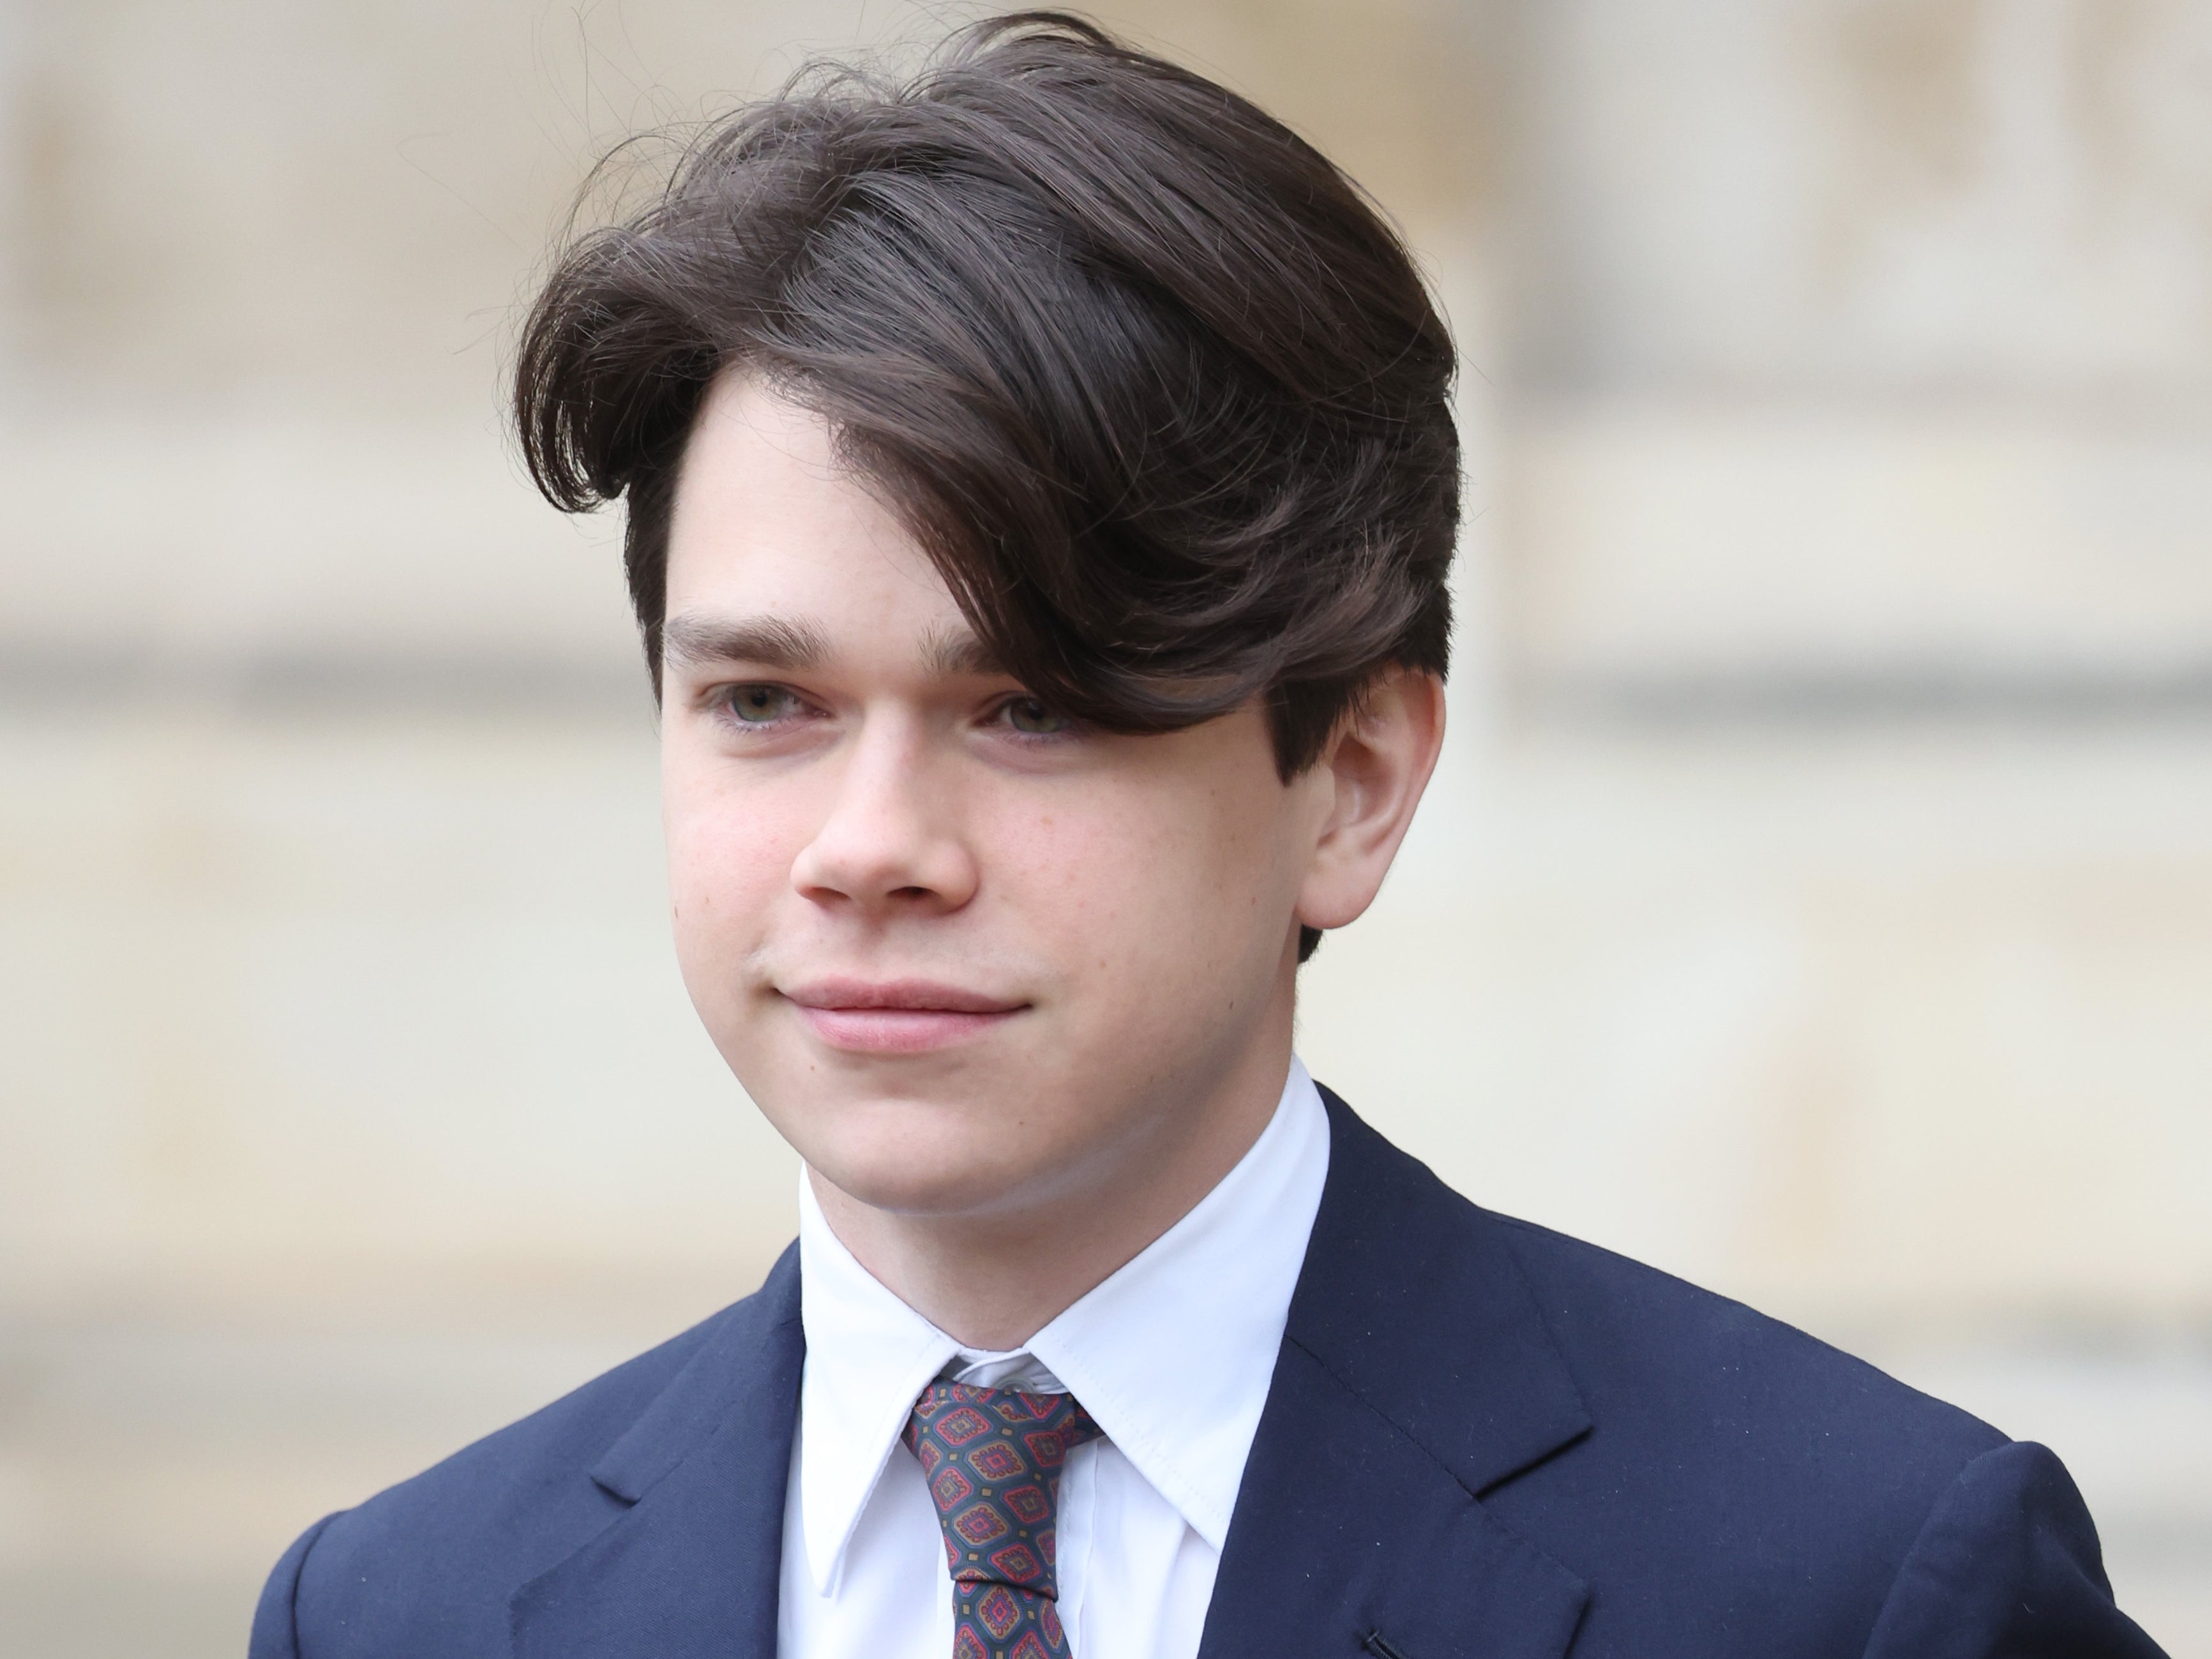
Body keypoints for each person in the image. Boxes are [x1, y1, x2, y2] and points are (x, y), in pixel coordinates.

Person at [248, 13, 2166, 1658]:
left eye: (1033, 710)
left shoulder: (1847, 1585)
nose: (870, 846)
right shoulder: (402, 1608)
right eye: (766, 704)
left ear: (1349, 785)